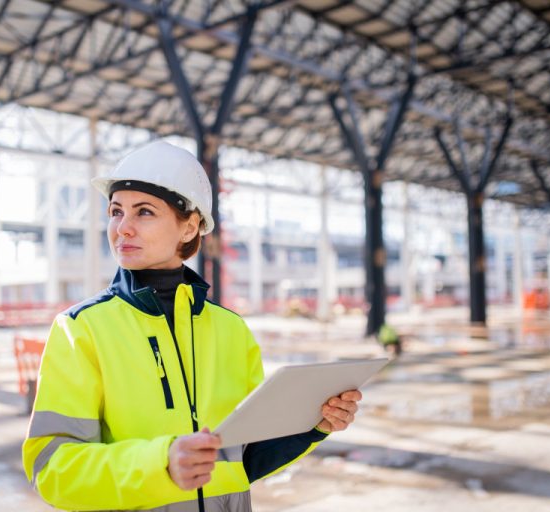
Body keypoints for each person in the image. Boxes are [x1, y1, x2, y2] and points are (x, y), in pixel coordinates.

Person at [22, 141, 363, 511]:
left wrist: (313, 428)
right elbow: (54, 470)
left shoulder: (231, 331)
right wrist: (160, 464)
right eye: (116, 211)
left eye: (144, 212)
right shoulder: (80, 330)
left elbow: (241, 462)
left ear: (191, 227)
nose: (123, 228)